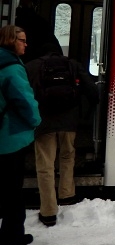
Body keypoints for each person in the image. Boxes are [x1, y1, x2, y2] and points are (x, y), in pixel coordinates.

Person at [25, 43, 99, 227]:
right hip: (69, 121)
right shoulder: (72, 64)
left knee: (45, 165)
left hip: (44, 122)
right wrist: (89, 111)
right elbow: (92, 90)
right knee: (67, 156)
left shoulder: (31, 66)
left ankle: (48, 211)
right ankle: (66, 195)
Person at [0, 25, 41, 245]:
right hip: (10, 136)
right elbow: (25, 102)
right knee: (13, 189)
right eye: (22, 40)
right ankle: (11, 235)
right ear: (10, 41)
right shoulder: (12, 68)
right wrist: (36, 121)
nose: (25, 44)